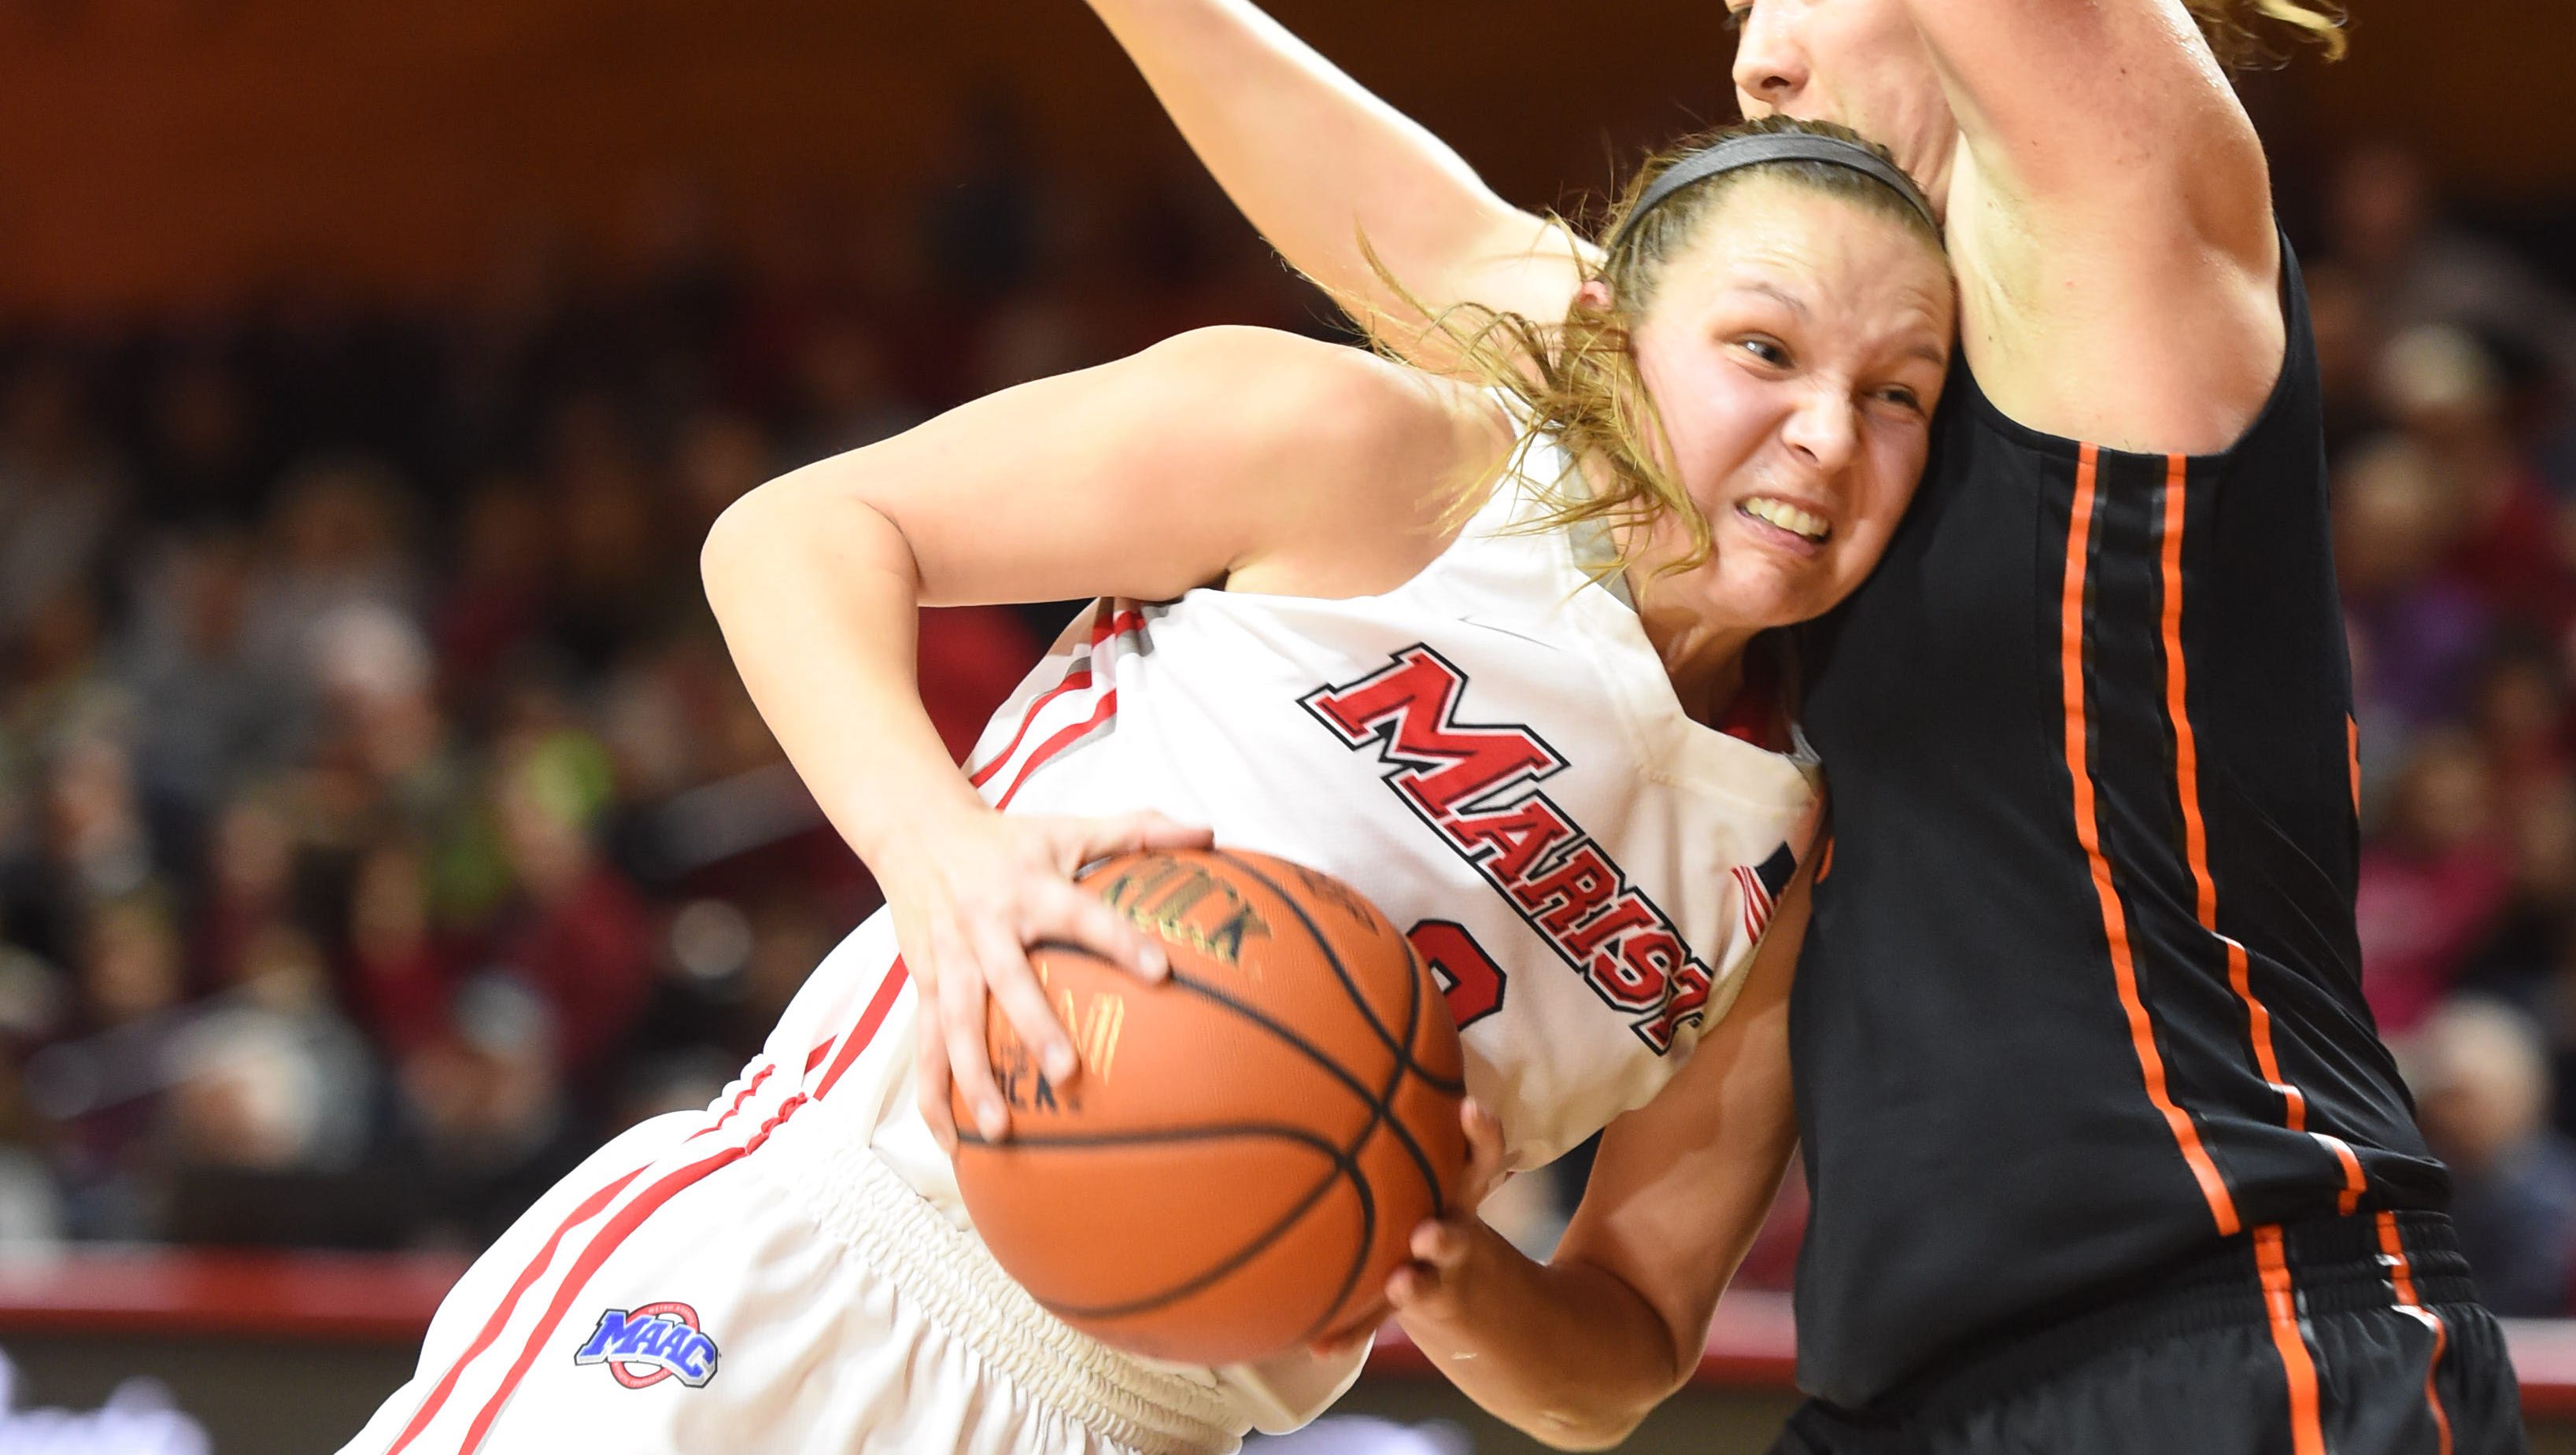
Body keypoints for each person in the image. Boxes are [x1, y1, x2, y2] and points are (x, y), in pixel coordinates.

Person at [340, 117, 1955, 1455]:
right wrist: (939, 853)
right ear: (1612, 340)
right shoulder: (1379, 456)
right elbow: (797, 533)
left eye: (1897, 395)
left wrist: (1450, 1272)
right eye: (1762, 349)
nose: (1825, 433)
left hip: (1146, 1425)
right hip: (813, 1261)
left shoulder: (1792, 847)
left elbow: (1620, 1353)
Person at [1076, 0, 2527, 1449]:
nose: (1752, 57)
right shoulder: (1795, 450)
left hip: (2223, 1331)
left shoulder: (2133, 272)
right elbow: (1439, 245)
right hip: (1902, 1398)